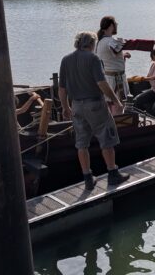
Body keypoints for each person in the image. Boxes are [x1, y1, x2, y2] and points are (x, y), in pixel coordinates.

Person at [59, 31, 130, 190]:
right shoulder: (93, 58)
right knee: (107, 138)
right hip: (95, 104)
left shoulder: (66, 59)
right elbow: (102, 83)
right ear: (92, 44)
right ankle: (113, 174)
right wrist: (116, 100)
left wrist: (65, 107)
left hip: (76, 105)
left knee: (81, 143)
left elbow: (62, 88)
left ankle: (88, 178)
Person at [96, 16, 155, 115]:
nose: (117, 24)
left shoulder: (99, 42)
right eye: (115, 23)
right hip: (116, 81)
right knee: (118, 107)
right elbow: (134, 44)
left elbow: (108, 59)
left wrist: (123, 56)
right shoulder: (112, 42)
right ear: (111, 25)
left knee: (110, 106)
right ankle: (120, 128)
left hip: (106, 79)